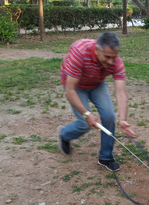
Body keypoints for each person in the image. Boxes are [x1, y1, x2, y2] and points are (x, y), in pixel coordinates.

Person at [58, 32, 136, 172]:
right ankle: (65, 134)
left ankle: (105, 157)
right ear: (96, 50)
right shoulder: (80, 52)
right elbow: (70, 90)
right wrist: (87, 114)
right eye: (107, 57)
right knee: (84, 124)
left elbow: (121, 93)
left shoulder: (115, 61)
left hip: (97, 84)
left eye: (114, 57)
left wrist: (123, 120)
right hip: (76, 86)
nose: (111, 62)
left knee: (109, 117)